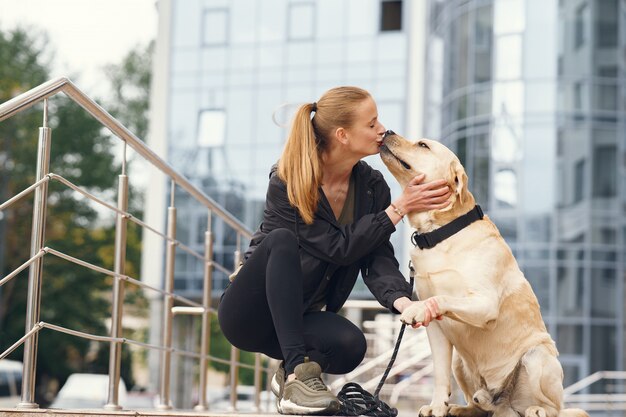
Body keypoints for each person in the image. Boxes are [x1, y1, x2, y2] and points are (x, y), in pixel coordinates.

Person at [217, 86, 451, 415]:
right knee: (281, 240)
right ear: (342, 135)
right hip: (250, 315)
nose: (382, 129)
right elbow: (336, 247)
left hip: (301, 317)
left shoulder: (372, 187)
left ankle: (289, 374)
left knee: (351, 345)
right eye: (371, 124)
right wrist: (398, 209)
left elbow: (375, 257)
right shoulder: (288, 181)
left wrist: (403, 302)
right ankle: (298, 374)